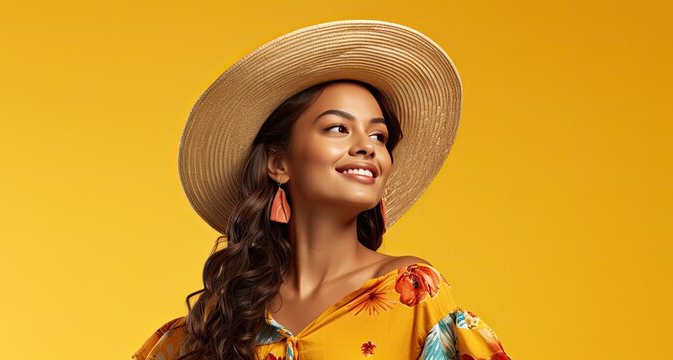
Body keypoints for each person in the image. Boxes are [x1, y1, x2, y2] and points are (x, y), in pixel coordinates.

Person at [132, 20, 511, 360]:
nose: (368, 146)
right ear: (278, 164)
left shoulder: (411, 292)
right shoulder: (218, 319)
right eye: (337, 128)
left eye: (379, 135)